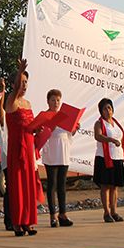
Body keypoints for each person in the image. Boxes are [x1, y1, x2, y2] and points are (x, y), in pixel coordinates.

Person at [5, 59, 39, 236]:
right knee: (18, 185)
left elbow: (30, 126)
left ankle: (28, 222)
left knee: (28, 185)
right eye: (21, 82)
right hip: (17, 148)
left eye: (26, 82)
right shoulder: (11, 101)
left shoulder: (28, 103)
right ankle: (17, 222)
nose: (24, 85)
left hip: (29, 148)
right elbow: (16, 89)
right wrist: (20, 71)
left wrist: (38, 127)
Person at [41, 89, 77, 228]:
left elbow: (68, 135)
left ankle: (63, 214)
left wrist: (74, 128)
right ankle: (53, 216)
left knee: (62, 185)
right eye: (53, 100)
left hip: (63, 153)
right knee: (52, 185)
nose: (55, 103)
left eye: (58, 100)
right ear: (48, 101)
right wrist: (51, 125)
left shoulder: (64, 116)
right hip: (51, 154)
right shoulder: (45, 116)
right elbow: (42, 134)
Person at [93, 98, 124, 223]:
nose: (108, 111)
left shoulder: (116, 123)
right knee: (105, 186)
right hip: (104, 158)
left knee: (114, 186)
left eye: (109, 108)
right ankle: (106, 212)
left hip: (117, 157)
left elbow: (122, 141)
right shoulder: (99, 123)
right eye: (105, 108)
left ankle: (114, 211)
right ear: (101, 111)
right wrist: (111, 140)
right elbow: (98, 136)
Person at [0, 78, 12, 231]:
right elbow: (0, 111)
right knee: (11, 190)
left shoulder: (19, 114)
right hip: (9, 158)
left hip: (21, 158)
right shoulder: (5, 117)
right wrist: (3, 90)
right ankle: (9, 220)